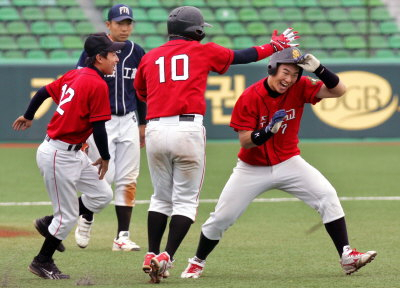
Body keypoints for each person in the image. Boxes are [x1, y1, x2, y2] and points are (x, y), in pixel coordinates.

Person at [133, 5, 299, 283]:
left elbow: (141, 92)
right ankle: (167, 257)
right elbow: (243, 56)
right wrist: (274, 46)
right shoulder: (203, 50)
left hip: (155, 128)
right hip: (187, 129)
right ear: (195, 30)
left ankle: (151, 253)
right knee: (185, 201)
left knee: (160, 198)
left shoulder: (150, 57)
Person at [180, 47, 377, 279]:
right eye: (285, 72)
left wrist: (320, 70)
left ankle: (347, 256)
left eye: (295, 74)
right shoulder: (250, 96)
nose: (289, 79)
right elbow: (245, 142)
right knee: (222, 218)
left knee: (327, 195)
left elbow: (339, 91)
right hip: (251, 169)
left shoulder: (300, 87)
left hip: (289, 162)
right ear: (272, 68)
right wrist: (266, 132)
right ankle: (197, 261)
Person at [12, 32, 125, 279]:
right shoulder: (96, 83)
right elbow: (99, 127)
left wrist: (29, 115)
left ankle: (47, 222)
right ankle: (41, 262)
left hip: (72, 153)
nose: (116, 58)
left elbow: (43, 91)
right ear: (99, 57)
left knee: (102, 194)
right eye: (113, 54)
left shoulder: (76, 74)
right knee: (68, 217)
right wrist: (105, 157)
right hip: (58, 155)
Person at [75, 4, 146, 252]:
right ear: (108, 25)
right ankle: (86, 215)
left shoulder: (138, 52)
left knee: (128, 178)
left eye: (128, 23)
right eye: (119, 23)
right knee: (105, 177)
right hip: (100, 121)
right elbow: (79, 82)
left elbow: (142, 92)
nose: (125, 28)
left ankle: (122, 237)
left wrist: (143, 123)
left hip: (128, 119)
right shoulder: (95, 49)